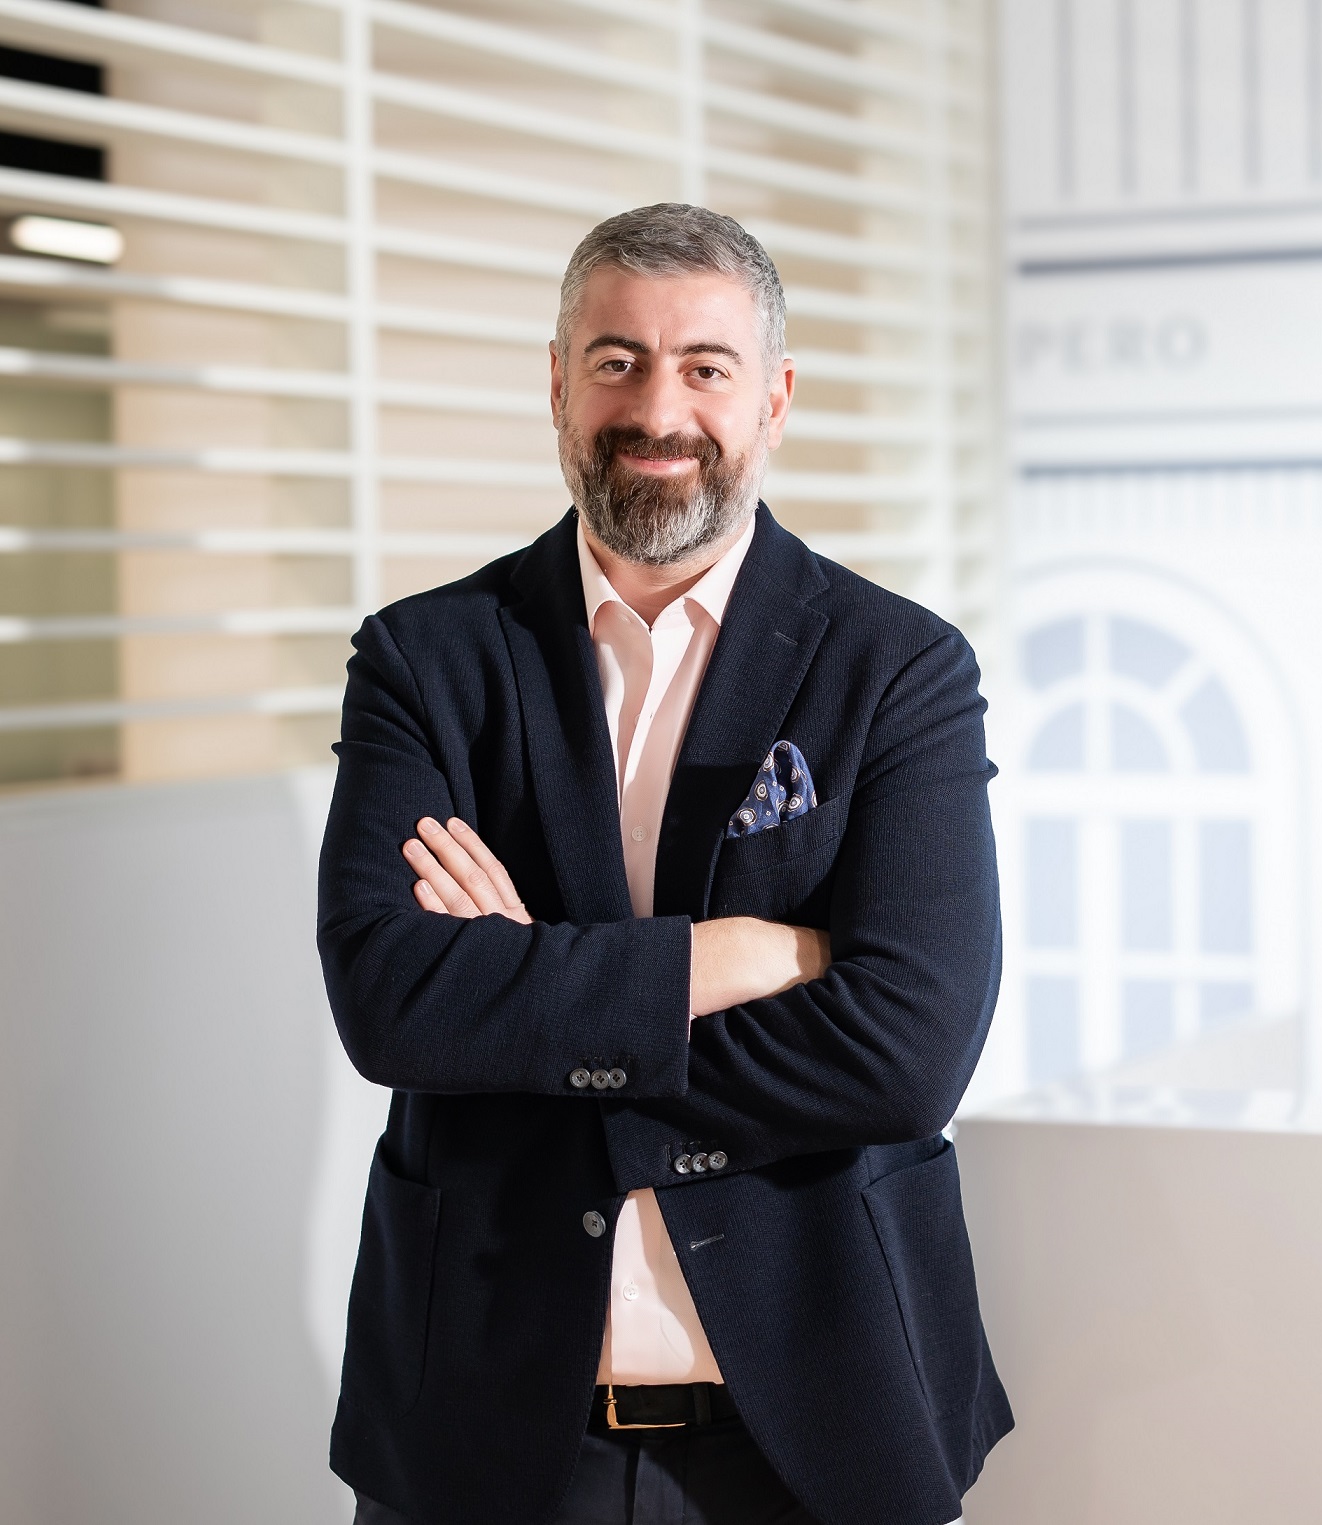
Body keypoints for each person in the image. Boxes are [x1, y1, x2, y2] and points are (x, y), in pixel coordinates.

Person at [317, 203, 1010, 1525]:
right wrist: (737, 956)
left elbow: (908, 1050)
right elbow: (392, 1003)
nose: (658, 409)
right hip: (483, 1414)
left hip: (818, 1416)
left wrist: (529, 995)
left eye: (704, 366)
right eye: (617, 361)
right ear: (558, 383)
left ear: (775, 398)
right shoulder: (424, 660)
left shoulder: (899, 667)